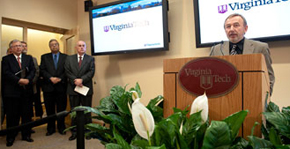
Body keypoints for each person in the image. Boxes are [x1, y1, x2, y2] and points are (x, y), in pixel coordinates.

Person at [209, 13, 275, 95]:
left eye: (236, 25)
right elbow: (210, 74)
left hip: (252, 96)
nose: (231, 29)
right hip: (224, 97)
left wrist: (266, 96)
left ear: (245, 28)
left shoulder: (260, 47)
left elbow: (269, 75)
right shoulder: (216, 49)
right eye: (228, 26)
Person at [2, 39, 35, 146]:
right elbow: (6, 73)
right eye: (15, 46)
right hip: (12, 92)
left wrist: (28, 80)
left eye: (20, 46)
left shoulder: (28, 58)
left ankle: (26, 135)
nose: (18, 47)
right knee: (12, 116)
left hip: (26, 91)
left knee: (26, 115)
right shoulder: (6, 59)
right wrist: (18, 80)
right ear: (11, 48)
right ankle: (11, 137)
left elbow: (33, 70)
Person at [64, 40, 95, 141]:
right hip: (73, 89)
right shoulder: (69, 58)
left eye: (83, 45)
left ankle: (88, 131)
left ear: (85, 47)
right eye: (79, 46)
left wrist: (81, 80)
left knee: (87, 111)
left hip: (85, 88)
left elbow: (91, 72)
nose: (81, 47)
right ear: (76, 48)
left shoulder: (90, 59)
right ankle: (74, 132)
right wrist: (75, 81)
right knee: (74, 111)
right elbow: (67, 71)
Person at [40, 39, 67, 136]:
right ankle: (50, 128)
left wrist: (59, 78)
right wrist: (51, 78)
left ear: (59, 45)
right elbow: (42, 70)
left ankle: (61, 127)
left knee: (61, 109)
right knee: (49, 109)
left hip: (61, 87)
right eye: (52, 45)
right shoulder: (44, 57)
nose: (54, 46)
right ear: (49, 47)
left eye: (56, 44)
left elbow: (67, 70)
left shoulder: (65, 57)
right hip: (48, 87)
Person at [21, 41, 43, 126]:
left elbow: (36, 71)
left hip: (32, 86)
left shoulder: (32, 59)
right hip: (20, 86)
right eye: (22, 46)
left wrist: (30, 81)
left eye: (25, 46)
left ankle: (29, 125)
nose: (24, 48)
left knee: (31, 105)